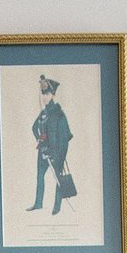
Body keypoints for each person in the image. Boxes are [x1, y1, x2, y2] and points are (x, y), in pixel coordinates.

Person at [28, 75, 73, 214]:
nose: (44, 97)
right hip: (43, 152)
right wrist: (39, 139)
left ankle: (57, 207)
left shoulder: (59, 115)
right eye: (43, 94)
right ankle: (38, 203)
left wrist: (60, 156)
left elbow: (65, 138)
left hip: (56, 154)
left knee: (59, 179)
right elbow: (34, 127)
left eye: (47, 94)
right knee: (39, 177)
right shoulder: (43, 113)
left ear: (53, 95)